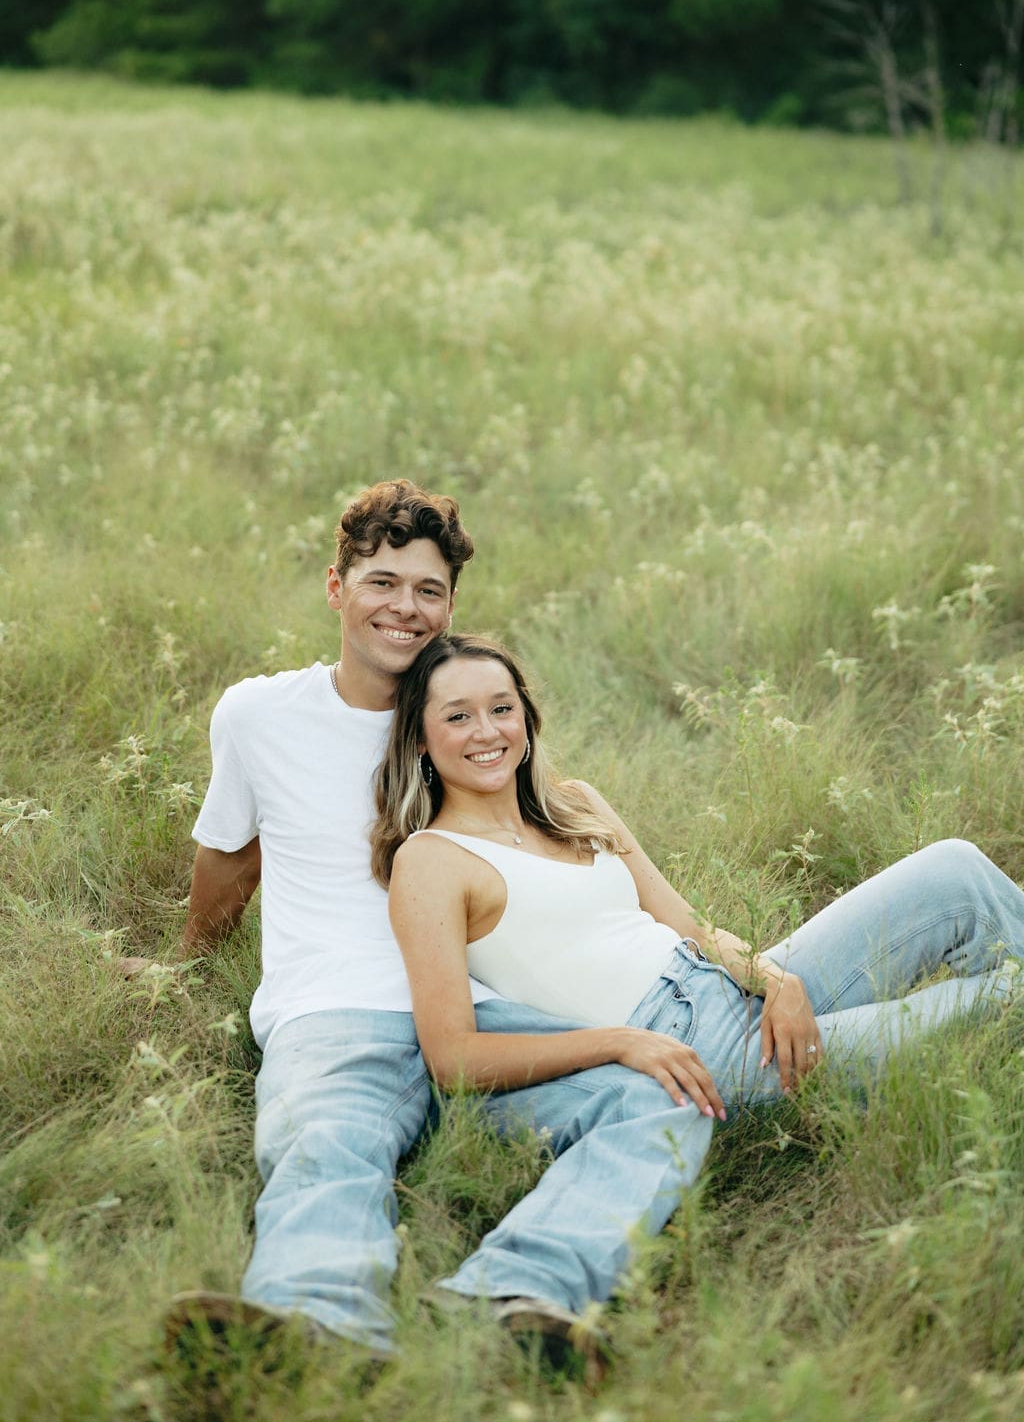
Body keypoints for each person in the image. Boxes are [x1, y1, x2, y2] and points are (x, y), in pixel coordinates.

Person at [159, 480, 715, 1370]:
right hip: (345, 1006)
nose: (404, 608)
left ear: (450, 604)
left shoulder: (462, 718)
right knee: (328, 1138)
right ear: (336, 588)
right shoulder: (259, 715)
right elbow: (231, 858)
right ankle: (319, 1325)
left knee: (662, 1097)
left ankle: (511, 1299)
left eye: (428, 590)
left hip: (482, 1012)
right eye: (382, 582)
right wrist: (186, 968)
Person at [374, 632, 1024, 1127]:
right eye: (458, 717)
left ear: (526, 718)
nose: (487, 732)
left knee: (955, 866)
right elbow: (453, 1058)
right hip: (698, 1050)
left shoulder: (577, 804)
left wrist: (778, 980)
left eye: (501, 708)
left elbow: (689, 926)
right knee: (1008, 996)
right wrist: (622, 1043)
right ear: (422, 741)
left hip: (728, 987)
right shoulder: (432, 860)